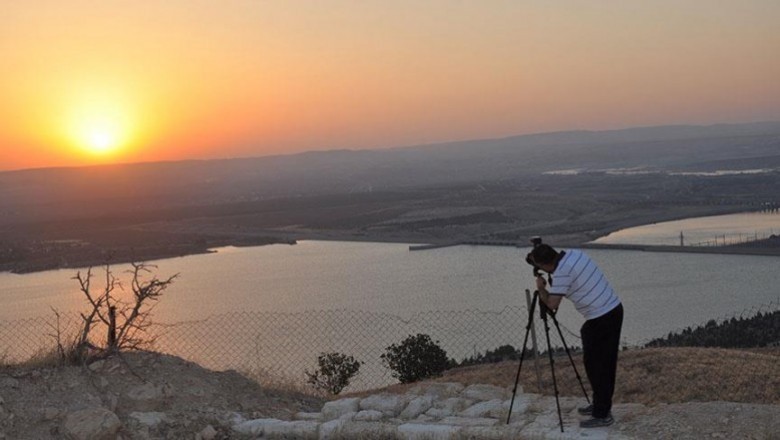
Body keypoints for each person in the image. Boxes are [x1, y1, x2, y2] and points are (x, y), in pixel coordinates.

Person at [529, 243, 624, 428]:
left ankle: (603, 414)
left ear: (545, 265)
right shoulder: (573, 254)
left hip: (603, 317)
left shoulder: (562, 273)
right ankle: (599, 404)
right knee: (595, 362)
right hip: (608, 311)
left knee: (600, 367)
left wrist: (541, 288)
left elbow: (552, 304)